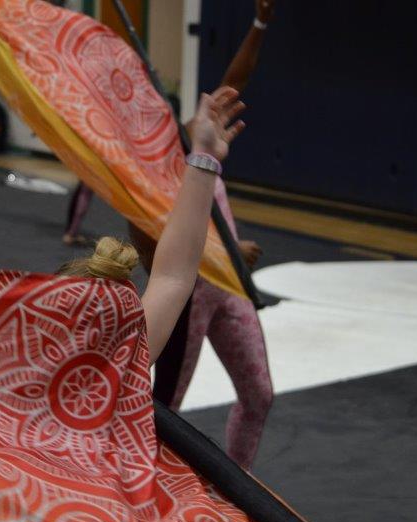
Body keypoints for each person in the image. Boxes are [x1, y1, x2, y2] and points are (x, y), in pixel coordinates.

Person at [139, 0, 275, 469]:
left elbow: (233, 86)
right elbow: (154, 256)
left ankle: (236, 488)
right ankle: (147, 488)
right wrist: (226, 251)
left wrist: (259, 23)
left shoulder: (191, 137)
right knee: (163, 410)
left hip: (228, 289)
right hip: (187, 298)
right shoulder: (143, 175)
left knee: (259, 395)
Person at [60, 87, 246, 365]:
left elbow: (172, 277)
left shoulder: (26, 375)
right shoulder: (123, 361)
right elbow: (172, 276)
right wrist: (205, 156)